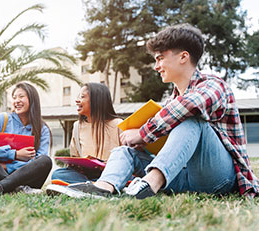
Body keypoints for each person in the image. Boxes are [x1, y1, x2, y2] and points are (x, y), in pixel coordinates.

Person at [48, 23, 259, 199]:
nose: (156, 66)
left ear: (183, 57)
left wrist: (142, 133)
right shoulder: (170, 100)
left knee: (191, 119)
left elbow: (189, 106)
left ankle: (148, 185)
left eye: (160, 58)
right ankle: (104, 187)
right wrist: (140, 142)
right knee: (125, 151)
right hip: (180, 175)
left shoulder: (213, 85)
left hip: (218, 177)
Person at [0, 82, 52, 197]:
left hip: (25, 180)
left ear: (32, 100)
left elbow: (38, 162)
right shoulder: (2, 119)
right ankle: (17, 189)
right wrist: (15, 154)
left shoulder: (42, 129)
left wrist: (6, 166)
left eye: (21, 96)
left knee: (45, 160)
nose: (17, 100)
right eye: (14, 97)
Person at [50, 83, 122, 184]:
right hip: (87, 174)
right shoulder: (77, 126)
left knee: (121, 174)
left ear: (96, 100)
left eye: (82, 97)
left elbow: (127, 157)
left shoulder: (117, 124)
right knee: (57, 174)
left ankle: (96, 184)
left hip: (111, 172)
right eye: (78, 96)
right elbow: (75, 156)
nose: (77, 100)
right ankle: (93, 184)